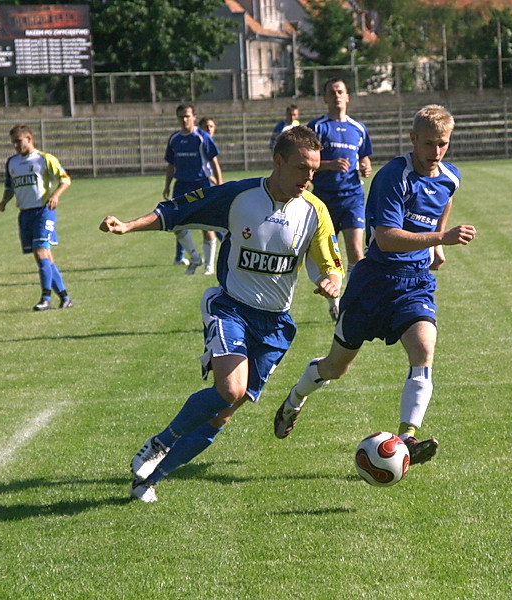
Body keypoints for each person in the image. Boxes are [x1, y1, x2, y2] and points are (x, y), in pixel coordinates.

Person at [99, 126, 344, 503]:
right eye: (301, 169)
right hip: (230, 308)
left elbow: (331, 262)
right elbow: (178, 209)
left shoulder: (315, 211)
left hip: (276, 324)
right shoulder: (239, 196)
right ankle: (160, 442)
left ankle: (150, 481)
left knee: (223, 413)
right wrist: (129, 225)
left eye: (314, 171)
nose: (309, 178)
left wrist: (332, 281)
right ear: (278, 162)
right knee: (230, 389)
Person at [273, 104, 477, 467]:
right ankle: (293, 401)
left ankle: (407, 439)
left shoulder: (450, 176)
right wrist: (441, 238)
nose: (436, 152)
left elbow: (444, 202)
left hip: (415, 284)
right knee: (336, 366)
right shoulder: (393, 177)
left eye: (443, 144)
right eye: (429, 144)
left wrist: (436, 248)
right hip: (375, 281)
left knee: (424, 350)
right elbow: (385, 239)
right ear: (413, 139)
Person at [306, 79, 373, 321]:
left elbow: (364, 159)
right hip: (324, 199)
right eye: (332, 92)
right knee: (326, 253)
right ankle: (334, 300)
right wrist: (328, 165)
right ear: (324, 98)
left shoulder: (359, 128)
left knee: (356, 252)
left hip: (353, 196)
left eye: (341, 91)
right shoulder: (317, 127)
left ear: (348, 96)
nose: (336, 95)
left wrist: (365, 167)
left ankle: (355, 301)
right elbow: (306, 162)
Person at [0, 124, 74, 311]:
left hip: (43, 211)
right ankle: (65, 297)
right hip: (25, 213)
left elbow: (65, 179)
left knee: (41, 252)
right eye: (13, 143)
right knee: (46, 256)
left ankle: (45, 298)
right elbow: (10, 187)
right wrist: (4, 201)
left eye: (18, 141)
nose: (15, 146)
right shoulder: (12, 162)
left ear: (29, 139)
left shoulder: (44, 159)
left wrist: (55, 195)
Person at [165, 104, 223, 275]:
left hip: (201, 184)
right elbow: (170, 164)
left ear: (194, 117)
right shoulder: (174, 139)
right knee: (175, 224)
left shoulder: (202, 137)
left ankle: (209, 266)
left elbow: (214, 162)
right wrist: (167, 185)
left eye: (187, 116)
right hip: (181, 185)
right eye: (181, 116)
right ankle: (195, 257)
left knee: (207, 225)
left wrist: (219, 184)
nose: (184, 120)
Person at [198, 117, 219, 186]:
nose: (209, 129)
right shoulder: (198, 143)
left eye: (211, 126)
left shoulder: (210, 143)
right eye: (206, 127)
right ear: (200, 128)